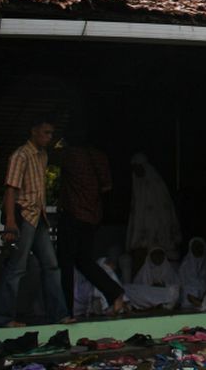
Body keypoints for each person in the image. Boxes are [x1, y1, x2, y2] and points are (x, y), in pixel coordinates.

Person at [0, 114, 71, 326]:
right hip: (24, 216)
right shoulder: (21, 155)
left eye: (51, 134)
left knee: (52, 266)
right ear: (34, 131)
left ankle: (59, 314)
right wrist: (10, 221)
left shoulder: (43, 155)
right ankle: (3, 318)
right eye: (46, 133)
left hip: (39, 218)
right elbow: (11, 190)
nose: (49, 137)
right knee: (17, 267)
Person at [57, 135, 126, 317]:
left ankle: (65, 311)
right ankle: (114, 291)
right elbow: (106, 187)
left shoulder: (69, 155)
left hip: (72, 214)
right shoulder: (100, 157)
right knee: (84, 261)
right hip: (91, 216)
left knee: (66, 264)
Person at [126, 153, 181, 264]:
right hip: (142, 235)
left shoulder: (156, 184)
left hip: (158, 229)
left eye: (138, 167)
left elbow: (164, 208)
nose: (136, 171)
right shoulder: (137, 183)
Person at [178, 237, 206, 309]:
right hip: (190, 292)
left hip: (205, 290)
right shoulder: (186, 263)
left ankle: (202, 304)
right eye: (195, 247)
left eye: (199, 247)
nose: (197, 249)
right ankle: (201, 304)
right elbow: (182, 281)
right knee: (187, 290)